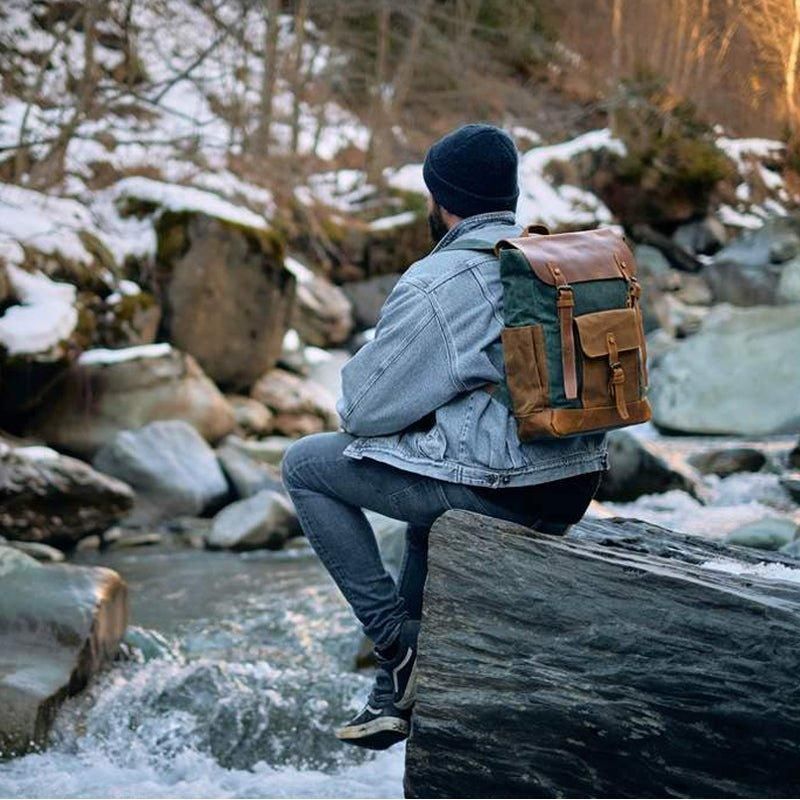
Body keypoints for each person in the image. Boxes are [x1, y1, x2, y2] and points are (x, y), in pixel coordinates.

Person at [281, 123, 606, 750]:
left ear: (443, 200)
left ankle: (395, 641)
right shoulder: (547, 259)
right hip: (575, 480)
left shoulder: (443, 280)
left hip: (510, 489)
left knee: (305, 464)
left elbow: (364, 408)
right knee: (432, 483)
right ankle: (395, 697)